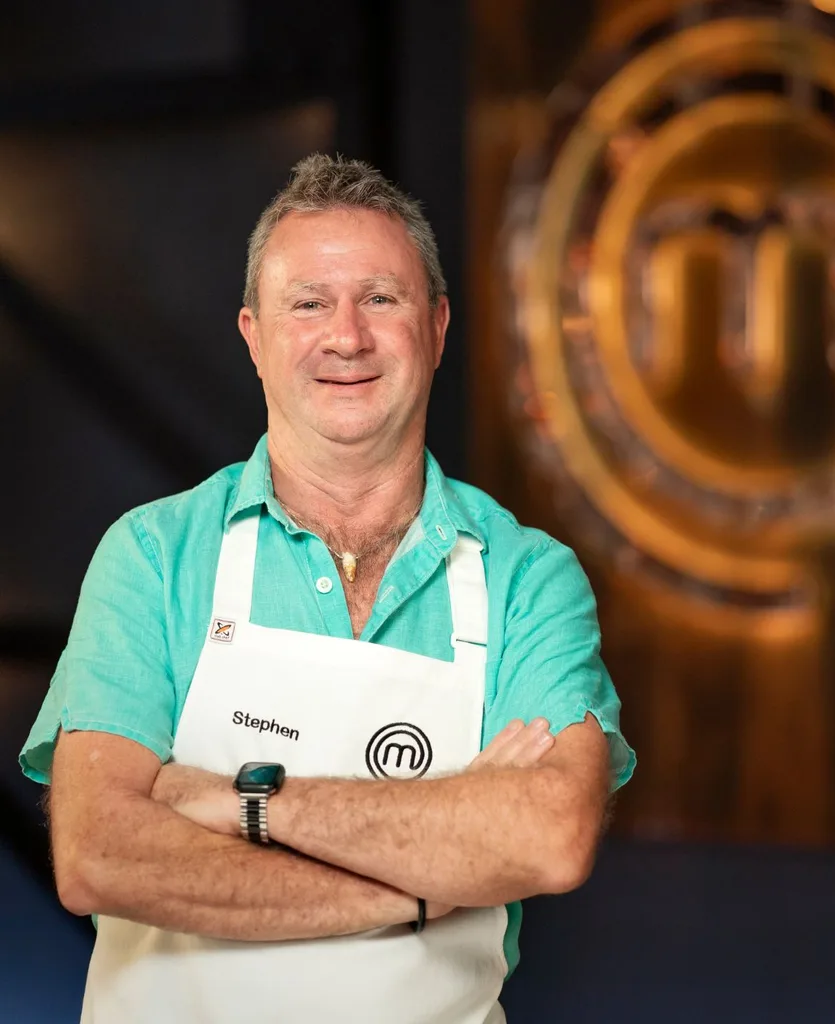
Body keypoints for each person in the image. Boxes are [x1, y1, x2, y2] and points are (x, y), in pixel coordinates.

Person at [19, 154, 635, 1024]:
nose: (345, 335)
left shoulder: (526, 576)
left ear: (438, 324)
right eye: (308, 303)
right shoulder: (153, 556)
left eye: (380, 298)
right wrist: (419, 888)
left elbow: (547, 837)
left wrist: (236, 801)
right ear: (254, 337)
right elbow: (100, 856)